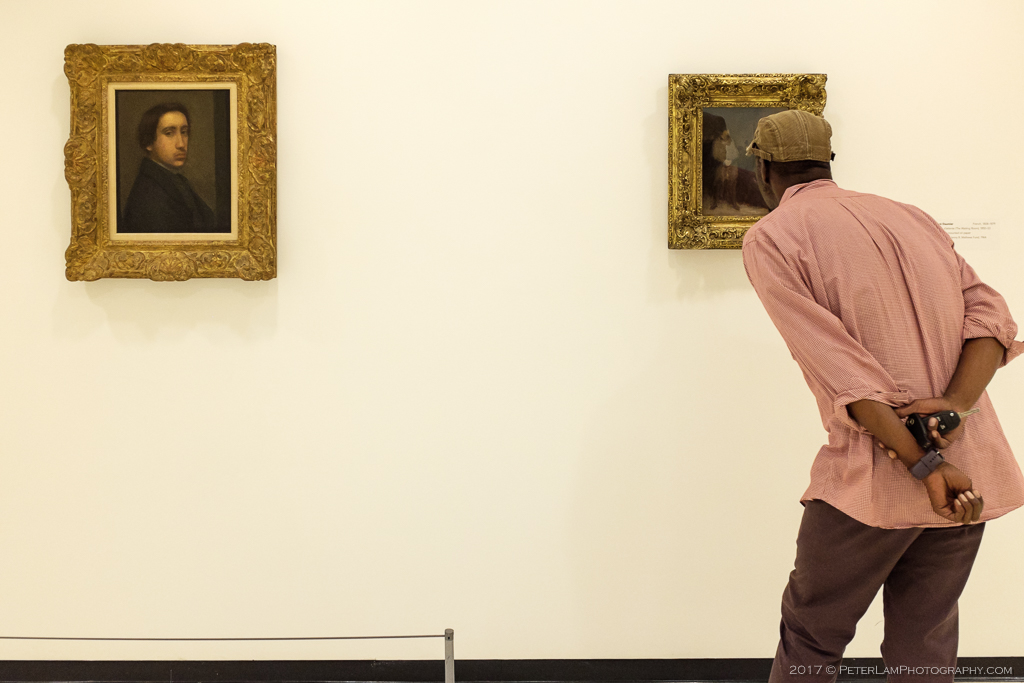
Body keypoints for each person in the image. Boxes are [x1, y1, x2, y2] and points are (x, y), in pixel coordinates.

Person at [741, 109, 1023, 683]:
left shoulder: (772, 236)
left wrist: (924, 464)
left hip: (876, 476)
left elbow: (843, 371)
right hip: (967, 472)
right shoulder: (909, 216)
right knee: (925, 643)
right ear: (829, 161)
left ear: (765, 169)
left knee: (811, 638)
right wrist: (954, 405)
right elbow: (991, 319)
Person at [120, 102, 219, 233]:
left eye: (184, 132)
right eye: (169, 133)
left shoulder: (178, 181)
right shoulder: (149, 197)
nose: (181, 144)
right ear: (148, 142)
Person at [702, 113, 768, 216]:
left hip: (731, 163)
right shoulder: (715, 142)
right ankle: (715, 202)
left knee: (732, 184)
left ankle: (733, 202)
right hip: (721, 164)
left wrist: (730, 160)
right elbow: (716, 155)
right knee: (717, 183)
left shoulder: (730, 141)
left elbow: (734, 153)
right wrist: (722, 161)